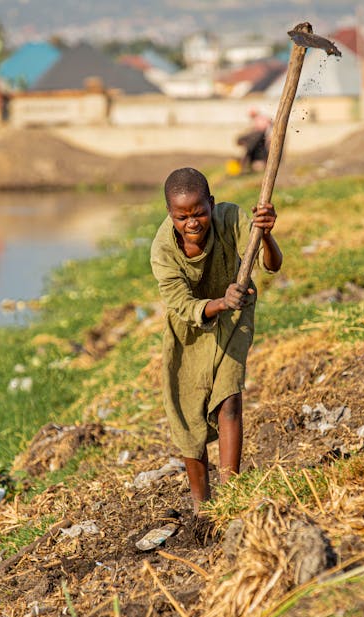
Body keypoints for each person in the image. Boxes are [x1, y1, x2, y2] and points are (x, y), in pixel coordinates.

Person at [150, 167, 282, 517]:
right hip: (189, 330)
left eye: (199, 212)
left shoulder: (231, 218)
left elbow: (272, 264)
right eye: (182, 217)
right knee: (187, 417)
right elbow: (181, 304)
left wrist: (265, 235)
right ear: (170, 215)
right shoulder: (162, 250)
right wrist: (219, 302)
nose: (192, 222)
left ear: (211, 203)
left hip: (234, 319)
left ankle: (232, 496)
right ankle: (202, 507)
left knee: (229, 400)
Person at [237, 109, 273, 173]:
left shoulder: (260, 119)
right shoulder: (259, 119)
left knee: (260, 150)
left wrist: (268, 137)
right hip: (260, 137)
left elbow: (264, 129)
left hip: (261, 137)